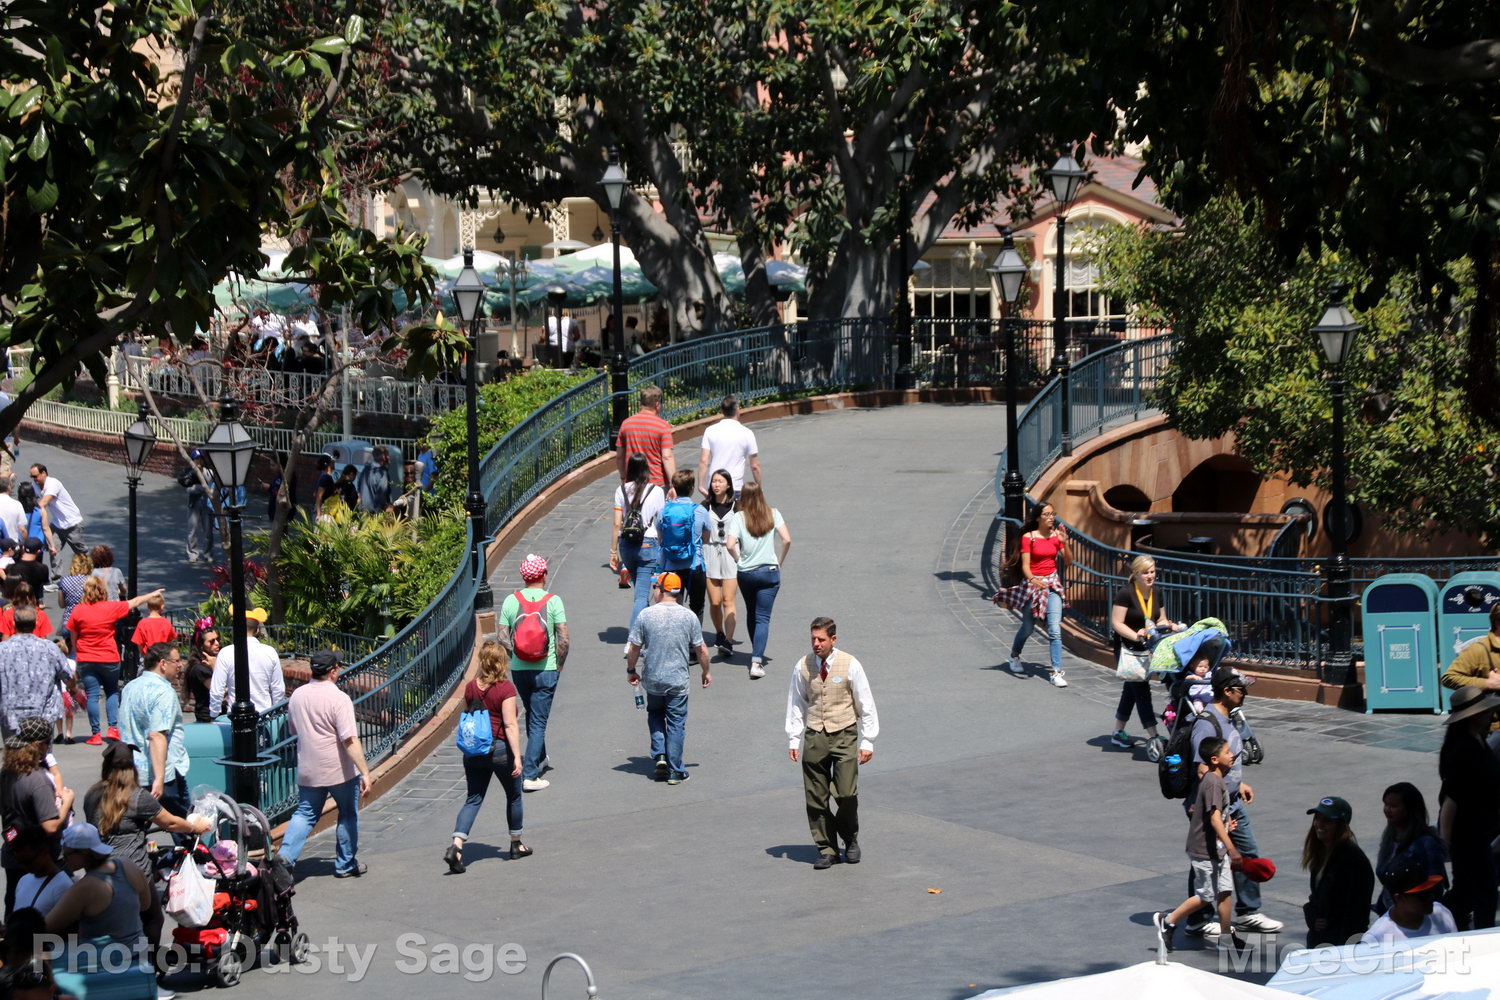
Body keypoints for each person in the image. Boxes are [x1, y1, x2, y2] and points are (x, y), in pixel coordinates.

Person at [1184, 668, 1285, 935]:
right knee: (1207, 861)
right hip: (1213, 808)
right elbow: (1203, 769)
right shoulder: (1207, 723)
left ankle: (1249, 912)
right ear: (1227, 691)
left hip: (1232, 803)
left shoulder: (1229, 719)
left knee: (1247, 852)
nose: (1245, 694)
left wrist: (1238, 783)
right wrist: (1217, 810)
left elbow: (1224, 763)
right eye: (1241, 690)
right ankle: (1198, 918)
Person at [84, 741, 211, 950]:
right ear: (132, 768)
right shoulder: (137, 797)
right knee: (153, 920)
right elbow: (170, 822)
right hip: (134, 873)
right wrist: (193, 827)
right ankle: (148, 963)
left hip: (99, 870)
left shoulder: (92, 795)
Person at [786, 618, 878, 870]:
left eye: (821, 639)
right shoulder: (802, 666)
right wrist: (794, 737)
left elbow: (865, 703)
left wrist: (868, 740)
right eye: (813, 639)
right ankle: (826, 848)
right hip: (815, 734)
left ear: (833, 640)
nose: (816, 644)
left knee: (846, 793)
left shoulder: (850, 664)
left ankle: (850, 839)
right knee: (816, 797)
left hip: (844, 732)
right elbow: (797, 703)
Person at [277, 649, 373, 879]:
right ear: (332, 672)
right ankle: (345, 863)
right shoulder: (339, 698)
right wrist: (365, 772)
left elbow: (293, 729)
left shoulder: (297, 696)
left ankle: (286, 856)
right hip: (338, 770)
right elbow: (349, 739)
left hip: (309, 768)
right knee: (348, 813)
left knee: (305, 813)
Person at [1153, 737, 1245, 954]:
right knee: (1207, 895)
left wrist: (1226, 825)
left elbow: (1210, 815)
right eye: (1227, 752)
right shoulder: (1213, 781)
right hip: (1205, 850)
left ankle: (1226, 939)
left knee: (1225, 892)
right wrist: (1232, 848)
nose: (1232, 755)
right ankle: (1168, 920)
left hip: (1217, 848)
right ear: (1215, 759)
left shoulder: (1215, 779)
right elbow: (1213, 818)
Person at [444, 641, 527, 874]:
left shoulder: (470, 687)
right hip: (499, 749)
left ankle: (456, 846)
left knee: (473, 798)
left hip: (474, 752)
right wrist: (518, 758)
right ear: (502, 663)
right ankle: (516, 843)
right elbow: (510, 725)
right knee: (513, 795)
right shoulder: (505, 688)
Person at [626, 573, 711, 786]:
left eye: (655, 587)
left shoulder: (646, 615)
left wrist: (631, 669)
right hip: (678, 680)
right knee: (676, 723)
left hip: (653, 679)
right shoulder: (689, 616)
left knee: (655, 713)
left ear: (661, 589)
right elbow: (701, 649)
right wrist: (705, 671)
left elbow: (634, 646)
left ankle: (660, 755)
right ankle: (675, 770)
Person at [497, 555, 569, 793]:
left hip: (520, 669)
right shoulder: (553, 600)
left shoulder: (511, 600)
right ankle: (529, 775)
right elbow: (563, 639)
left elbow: (502, 637)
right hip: (546, 668)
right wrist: (558, 665)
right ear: (544, 574)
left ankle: (539, 757)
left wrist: (515, 655)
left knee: (533, 714)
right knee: (538, 720)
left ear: (523, 576)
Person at [67, 577, 163, 746]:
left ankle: (95, 734)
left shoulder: (78, 610)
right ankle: (113, 729)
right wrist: (152, 595)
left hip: (87, 658)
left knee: (93, 695)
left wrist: (78, 651)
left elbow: (73, 635)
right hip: (109, 656)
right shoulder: (110, 607)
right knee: (112, 691)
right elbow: (135, 602)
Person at [1437, 686, 1500, 929]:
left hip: (1481, 829)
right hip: (1467, 834)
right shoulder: (1462, 750)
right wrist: (1445, 840)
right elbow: (1451, 800)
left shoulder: (1478, 740)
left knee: (1469, 889)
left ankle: (1455, 925)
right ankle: (1476, 933)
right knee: (1482, 890)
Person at [1, 717, 73, 920]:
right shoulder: (37, 780)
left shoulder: (7, 773)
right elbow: (50, 827)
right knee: (48, 914)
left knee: (14, 907)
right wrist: (67, 802)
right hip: (41, 858)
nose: (49, 747)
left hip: (13, 851)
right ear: (37, 745)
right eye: (47, 742)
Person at [117, 643, 192, 828]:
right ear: (163, 663)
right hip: (161, 774)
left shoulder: (130, 687)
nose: (180, 665)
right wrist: (159, 779)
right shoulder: (163, 692)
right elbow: (157, 735)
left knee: (137, 825)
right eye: (176, 661)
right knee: (182, 826)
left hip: (132, 770)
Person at [45, 823, 149, 952]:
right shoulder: (128, 865)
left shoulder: (85, 888)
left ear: (83, 853)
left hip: (108, 964)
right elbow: (145, 905)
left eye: (67, 855)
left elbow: (47, 926)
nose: (64, 859)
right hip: (142, 957)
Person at [1108, 555, 1175, 752]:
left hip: (1147, 646)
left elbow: (1161, 619)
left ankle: (1117, 732)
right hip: (1128, 648)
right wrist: (1137, 636)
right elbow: (1117, 623)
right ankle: (1153, 734)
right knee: (1141, 689)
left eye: (1152, 571)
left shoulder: (1157, 592)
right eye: (1145, 572)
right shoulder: (1126, 593)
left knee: (1131, 687)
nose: (1150, 575)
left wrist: (1168, 626)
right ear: (1136, 574)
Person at [725, 482, 791, 680]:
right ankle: (756, 660)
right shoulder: (773, 513)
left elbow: (730, 545)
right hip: (769, 572)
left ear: (743, 497)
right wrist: (779, 561)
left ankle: (756, 650)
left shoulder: (738, 517)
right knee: (763, 617)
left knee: (752, 612)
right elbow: (787, 540)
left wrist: (739, 559)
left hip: (746, 573)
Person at [1002, 501, 1070, 688]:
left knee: (1054, 629)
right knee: (1028, 627)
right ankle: (1015, 656)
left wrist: (1065, 543)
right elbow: (1025, 565)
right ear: (1038, 518)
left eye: (1053, 514)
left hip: (1052, 583)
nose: (1051, 518)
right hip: (1034, 584)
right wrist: (1033, 580)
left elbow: (1069, 561)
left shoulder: (1057, 536)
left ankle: (1056, 672)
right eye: (1047, 514)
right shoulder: (1028, 537)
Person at [1302, 795, 1375, 947]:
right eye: (1317, 818)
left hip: (1339, 946)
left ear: (1341, 825)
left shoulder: (1354, 861)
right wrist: (1312, 916)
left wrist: (1343, 954)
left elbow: (1356, 915)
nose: (1319, 824)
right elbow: (1317, 898)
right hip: (1321, 941)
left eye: (1327, 820)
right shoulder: (1321, 853)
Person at [1374, 781, 1447, 914]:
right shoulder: (1390, 838)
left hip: (1415, 918)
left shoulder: (1426, 843)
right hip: (1391, 913)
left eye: (1394, 806)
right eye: (1386, 804)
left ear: (1410, 808)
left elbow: (1435, 888)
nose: (1387, 810)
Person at [610, 453, 665, 630]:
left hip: (626, 546)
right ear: (646, 470)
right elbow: (661, 522)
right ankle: (634, 640)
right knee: (641, 595)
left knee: (639, 591)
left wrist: (613, 551)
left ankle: (646, 631)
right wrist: (661, 549)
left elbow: (617, 523)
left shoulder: (621, 490)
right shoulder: (656, 491)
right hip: (648, 543)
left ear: (630, 470)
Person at [0, 608, 70, 739]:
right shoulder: (50, 648)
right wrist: (75, 689)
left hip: (11, 717)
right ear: (35, 624)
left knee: (15, 756)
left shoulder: (2, 650)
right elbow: (67, 675)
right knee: (42, 756)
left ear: (14, 624)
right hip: (44, 716)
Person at [1440, 603, 1500, 750]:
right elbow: (1449, 677)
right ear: (1498, 622)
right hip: (1495, 729)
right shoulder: (1479, 650)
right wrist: (1487, 683)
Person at [209, 607, 286, 713]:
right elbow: (278, 689)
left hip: (236, 717)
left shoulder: (225, 653)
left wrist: (214, 713)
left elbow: (217, 690)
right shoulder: (270, 652)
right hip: (264, 715)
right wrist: (276, 713)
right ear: (257, 630)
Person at [657, 469, 709, 623]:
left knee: (672, 606)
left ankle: (674, 641)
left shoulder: (664, 511)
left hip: (671, 565)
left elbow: (660, 539)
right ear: (692, 488)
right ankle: (694, 643)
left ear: (674, 487)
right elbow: (706, 539)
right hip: (695, 565)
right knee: (697, 606)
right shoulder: (700, 510)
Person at [1362, 862, 1457, 944]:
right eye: (1422, 895)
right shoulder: (1376, 938)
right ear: (1399, 898)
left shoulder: (1442, 913)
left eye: (1431, 890)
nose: (1431, 898)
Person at [701, 469, 740, 654]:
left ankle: (728, 640)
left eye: (720, 481)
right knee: (715, 601)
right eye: (714, 481)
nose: (716, 484)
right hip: (710, 552)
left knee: (727, 600)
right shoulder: (704, 505)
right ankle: (719, 632)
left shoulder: (738, 506)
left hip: (731, 553)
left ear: (728, 485)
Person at [696, 395, 762, 495]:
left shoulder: (710, 431)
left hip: (715, 485)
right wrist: (758, 487)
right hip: (735, 486)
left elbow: (704, 461)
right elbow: (755, 466)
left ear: (722, 411)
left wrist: (701, 485)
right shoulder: (747, 433)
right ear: (737, 410)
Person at [616, 384, 676, 488]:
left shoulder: (626, 424)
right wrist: (674, 484)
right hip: (657, 484)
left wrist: (623, 477)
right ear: (657, 404)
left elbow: (619, 456)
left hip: (632, 482)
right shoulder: (662, 426)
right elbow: (667, 457)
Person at [28, 465, 84, 571]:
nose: (34, 479)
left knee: (81, 553)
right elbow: (31, 499)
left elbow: (43, 503)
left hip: (72, 523)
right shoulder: (35, 485)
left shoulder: (53, 484)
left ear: (44, 473)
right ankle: (56, 579)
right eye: (32, 477)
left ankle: (89, 575)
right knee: (53, 549)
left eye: (35, 476)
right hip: (57, 524)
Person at [8, 826, 72, 917]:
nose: (25, 867)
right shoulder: (23, 880)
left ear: (44, 852)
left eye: (28, 861)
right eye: (20, 862)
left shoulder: (63, 886)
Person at [179, 452, 217, 563]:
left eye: (200, 459)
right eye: (196, 459)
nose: (199, 461)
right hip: (194, 504)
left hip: (207, 504)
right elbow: (189, 489)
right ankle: (192, 553)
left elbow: (212, 488)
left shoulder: (209, 473)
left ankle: (208, 553)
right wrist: (201, 488)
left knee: (208, 531)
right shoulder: (190, 473)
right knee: (192, 530)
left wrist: (197, 487)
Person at [187, 620, 220, 722]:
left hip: (218, 714)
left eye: (217, 639)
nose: (217, 643)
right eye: (211, 641)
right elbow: (218, 691)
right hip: (208, 718)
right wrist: (215, 668)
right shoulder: (199, 669)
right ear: (201, 645)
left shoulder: (213, 661)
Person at [53, 551, 93, 631]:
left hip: (69, 621)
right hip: (87, 621)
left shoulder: (64, 580)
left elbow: (61, 604)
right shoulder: (91, 581)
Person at [5, 538, 49, 603]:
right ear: (38, 551)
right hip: (33, 603)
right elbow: (44, 582)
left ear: (23, 548)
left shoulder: (11, 567)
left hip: (15, 603)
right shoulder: (43, 568)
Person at [356, 444, 395, 513]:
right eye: (387, 455)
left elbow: (359, 490)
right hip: (375, 515)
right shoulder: (382, 473)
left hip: (363, 512)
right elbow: (382, 494)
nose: (389, 457)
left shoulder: (365, 470)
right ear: (383, 457)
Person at [0, 473, 25, 545]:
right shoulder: (17, 504)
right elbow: (22, 529)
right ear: (9, 487)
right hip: (12, 545)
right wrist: (23, 544)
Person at [312, 454, 338, 520]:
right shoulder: (325, 477)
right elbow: (318, 496)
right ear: (327, 465)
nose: (334, 463)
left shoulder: (323, 475)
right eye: (331, 462)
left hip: (325, 509)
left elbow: (315, 493)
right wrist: (319, 514)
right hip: (324, 510)